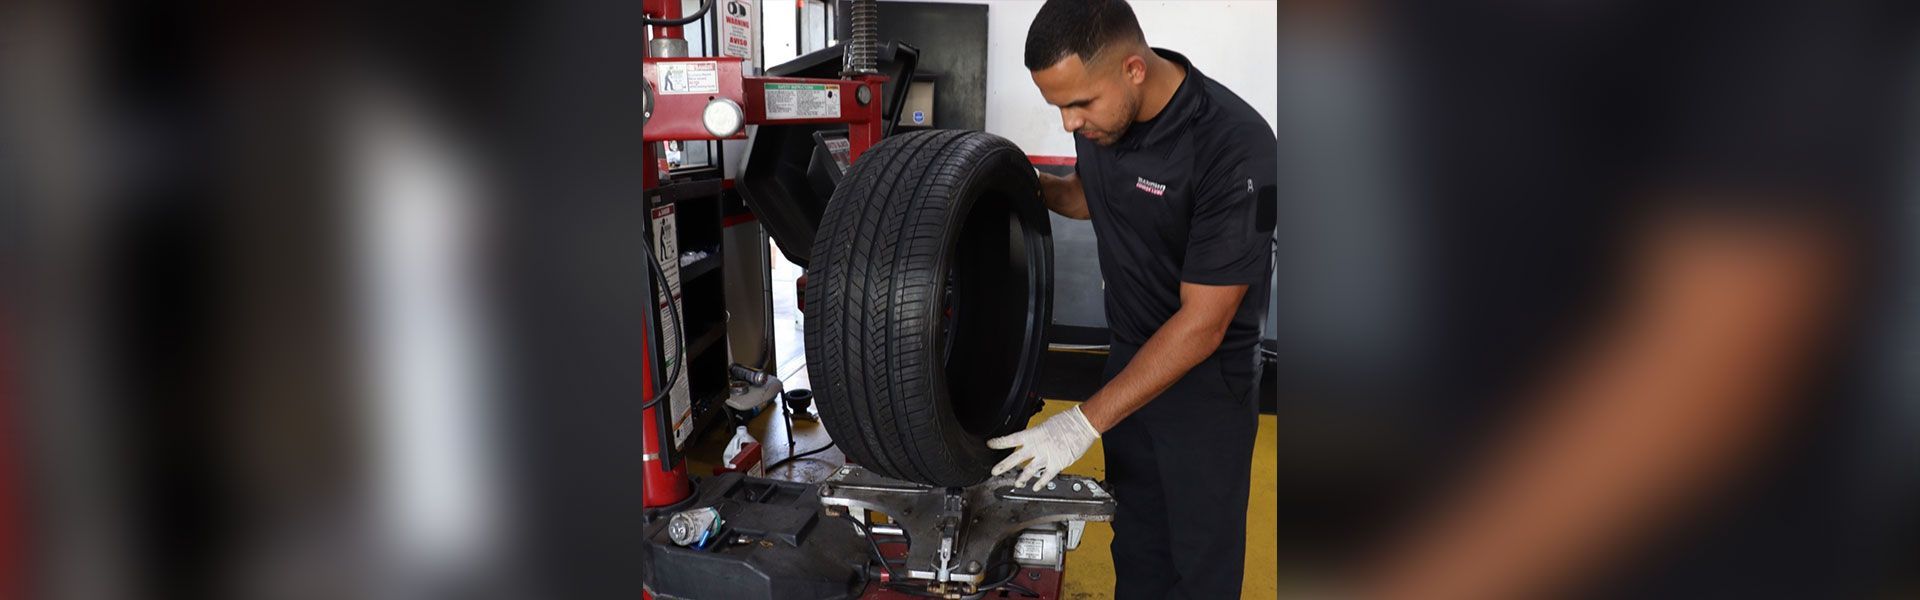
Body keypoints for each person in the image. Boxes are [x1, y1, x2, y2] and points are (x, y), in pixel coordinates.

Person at [983, 1, 1277, 598]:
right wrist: (1006, 179)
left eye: (1079, 104)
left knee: (1199, 561)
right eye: (1057, 106)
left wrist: (1081, 422)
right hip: (1129, 366)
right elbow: (1092, 197)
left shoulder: (1236, 146)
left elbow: (1203, 325)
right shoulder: (1105, 120)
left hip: (1206, 386)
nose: (1068, 124)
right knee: (1137, 541)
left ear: (1134, 70)